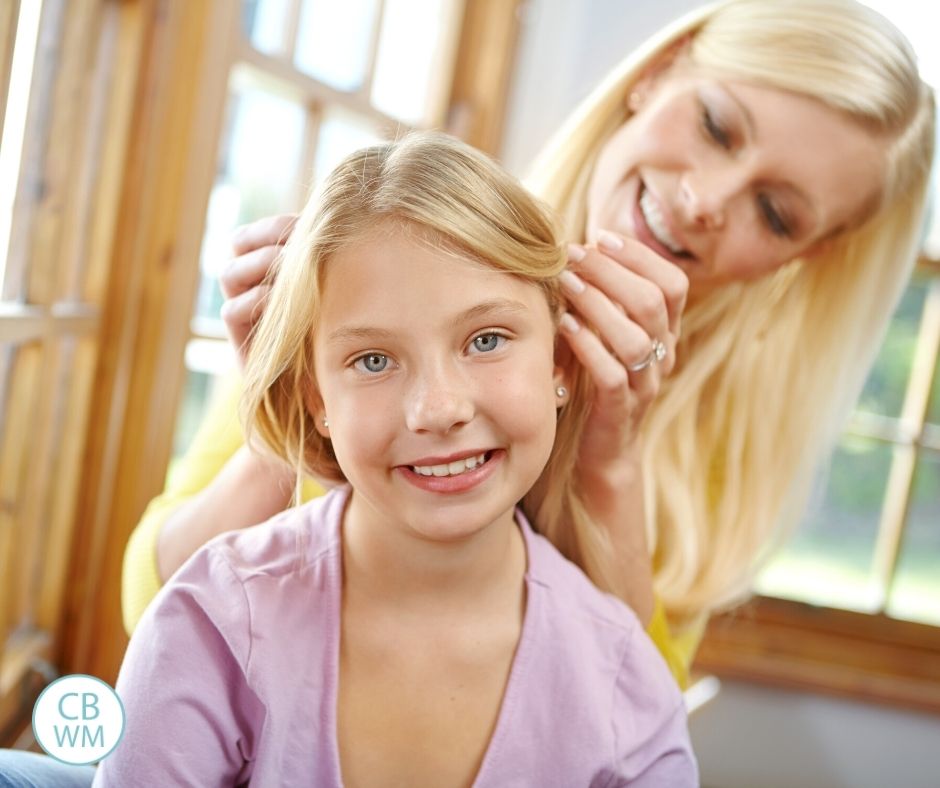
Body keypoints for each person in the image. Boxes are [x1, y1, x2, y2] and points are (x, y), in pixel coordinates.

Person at [121, 0, 936, 692]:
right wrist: (287, 406)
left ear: (807, 255)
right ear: (659, 72)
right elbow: (156, 605)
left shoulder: (726, 442)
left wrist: (610, 463)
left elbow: (632, 726)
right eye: (718, 127)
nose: (704, 200)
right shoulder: (390, 249)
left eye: (777, 212)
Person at [93, 132, 698, 787]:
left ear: (559, 363)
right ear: (315, 396)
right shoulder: (209, 623)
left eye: (486, 340)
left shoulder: (628, 690)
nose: (437, 410)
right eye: (373, 360)